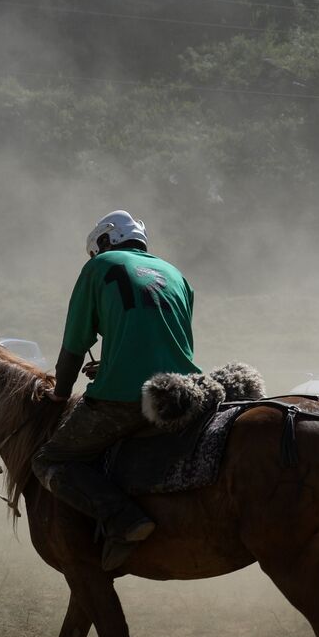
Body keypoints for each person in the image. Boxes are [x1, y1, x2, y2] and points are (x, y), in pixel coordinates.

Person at [32, 211, 201, 571]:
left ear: (106, 242)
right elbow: (168, 342)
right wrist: (110, 362)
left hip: (127, 397)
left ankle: (124, 519)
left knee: (49, 459)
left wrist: (60, 394)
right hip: (183, 393)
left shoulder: (100, 267)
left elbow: (75, 345)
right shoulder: (176, 274)